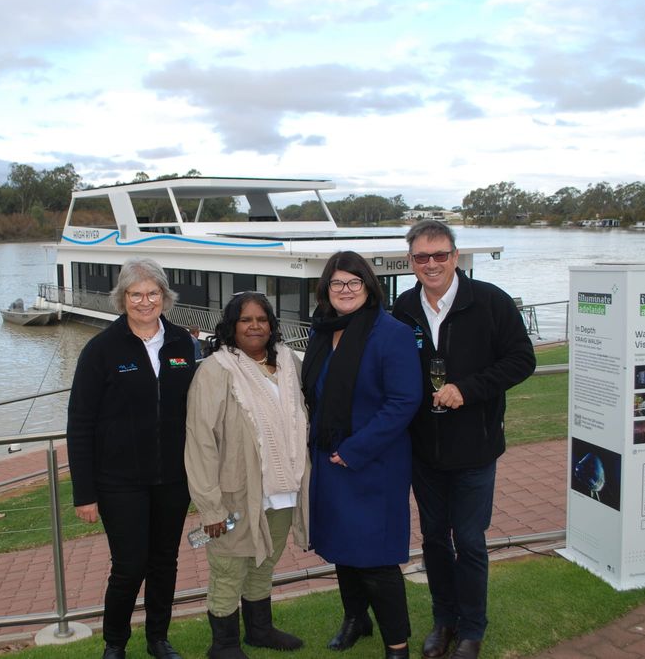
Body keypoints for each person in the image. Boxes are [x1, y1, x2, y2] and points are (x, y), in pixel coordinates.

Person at [392, 220, 536, 659]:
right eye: (421, 257)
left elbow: (522, 360)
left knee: (470, 541)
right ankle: (444, 621)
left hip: (475, 447)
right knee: (434, 539)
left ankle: (472, 629)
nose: (431, 264)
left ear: (455, 257)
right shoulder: (402, 309)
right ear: (411, 261)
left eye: (440, 255)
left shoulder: (490, 302)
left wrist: (468, 389)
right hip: (424, 450)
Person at [66, 258, 197, 659]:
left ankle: (158, 638)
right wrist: (84, 493)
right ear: (123, 298)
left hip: (173, 479)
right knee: (129, 566)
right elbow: (80, 424)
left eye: (152, 293)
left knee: (165, 562)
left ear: (165, 297)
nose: (145, 301)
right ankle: (115, 644)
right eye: (136, 294)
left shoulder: (182, 343)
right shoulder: (101, 349)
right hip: (119, 481)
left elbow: (199, 407)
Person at [303, 251, 422, 659]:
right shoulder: (322, 331)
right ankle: (356, 618)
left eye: (354, 282)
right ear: (326, 290)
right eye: (337, 283)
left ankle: (397, 644)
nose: (346, 290)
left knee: (376, 559)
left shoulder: (392, 333)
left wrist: (354, 450)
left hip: (372, 464)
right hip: (328, 460)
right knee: (340, 548)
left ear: (369, 287)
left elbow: (404, 400)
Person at [185, 291, 309, 659]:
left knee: (265, 560)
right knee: (229, 567)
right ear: (231, 326)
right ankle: (223, 644)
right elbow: (200, 441)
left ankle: (259, 629)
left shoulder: (289, 363)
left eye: (261, 319)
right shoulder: (216, 371)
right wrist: (210, 506)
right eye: (245, 320)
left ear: (272, 325)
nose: (254, 326)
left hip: (285, 488)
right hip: (236, 493)